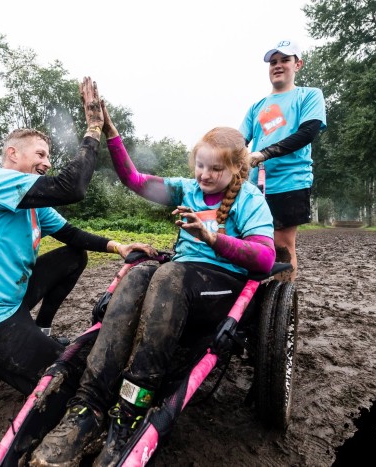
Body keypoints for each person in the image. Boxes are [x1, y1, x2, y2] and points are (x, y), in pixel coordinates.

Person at [30, 104, 275, 466]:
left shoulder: (250, 199)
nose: (204, 175)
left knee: (169, 276)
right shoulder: (188, 189)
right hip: (177, 278)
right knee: (139, 274)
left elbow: (266, 259)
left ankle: (130, 411)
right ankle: (88, 407)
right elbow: (134, 180)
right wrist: (111, 132)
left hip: (222, 284)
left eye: (215, 169)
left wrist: (212, 239)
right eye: (200, 165)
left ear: (236, 169)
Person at [0, 77, 156, 399]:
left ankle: (40, 330)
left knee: (74, 256)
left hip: (9, 302)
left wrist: (117, 246)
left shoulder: (32, 203)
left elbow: (70, 234)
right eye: (40, 154)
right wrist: (94, 127)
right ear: (13, 154)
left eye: (49, 156)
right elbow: (72, 187)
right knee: (66, 385)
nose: (48, 162)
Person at [239, 39, 327, 281]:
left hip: (291, 181)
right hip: (256, 185)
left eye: (285, 60)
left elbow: (307, 132)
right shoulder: (257, 107)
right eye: (273, 62)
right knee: (248, 241)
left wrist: (264, 153)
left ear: (298, 64)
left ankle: (282, 296)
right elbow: (238, 141)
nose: (277, 65)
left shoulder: (309, 95)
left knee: (282, 245)